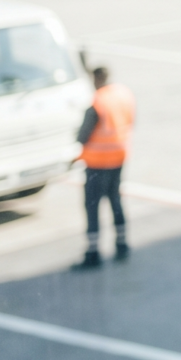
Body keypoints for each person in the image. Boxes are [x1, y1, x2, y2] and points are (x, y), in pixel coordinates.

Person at [73, 65, 135, 269]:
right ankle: (122, 243)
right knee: (115, 200)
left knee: (92, 206)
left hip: (97, 163)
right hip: (118, 157)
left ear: (96, 79)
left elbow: (83, 135)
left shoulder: (98, 102)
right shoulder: (123, 94)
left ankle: (93, 252)